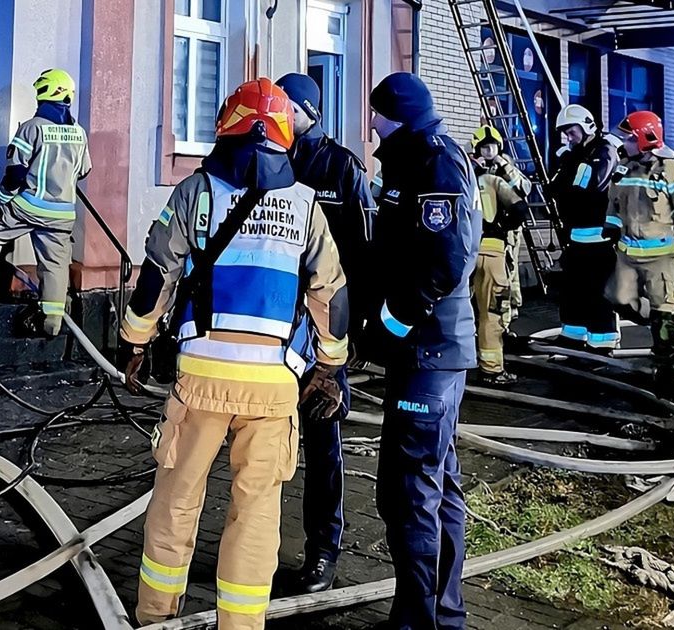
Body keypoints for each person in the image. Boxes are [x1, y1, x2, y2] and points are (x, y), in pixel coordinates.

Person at [117, 78, 349, 630]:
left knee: (177, 499)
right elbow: (330, 296)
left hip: (200, 381)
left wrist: (134, 342)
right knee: (257, 512)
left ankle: (155, 618)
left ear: (228, 128)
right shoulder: (305, 204)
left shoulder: (195, 192)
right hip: (273, 388)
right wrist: (330, 367)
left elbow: (157, 276)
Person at [363, 72, 480, 630]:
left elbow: (442, 259)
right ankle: (440, 614)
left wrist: (391, 323)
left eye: (378, 115)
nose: (372, 126)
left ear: (399, 114)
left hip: (428, 349)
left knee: (411, 491)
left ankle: (419, 623)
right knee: (435, 482)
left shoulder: (434, 160)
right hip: (425, 351)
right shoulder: (415, 159)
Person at [274, 72, 376, 594]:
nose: (277, 111)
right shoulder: (265, 159)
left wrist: (351, 333)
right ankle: (258, 547)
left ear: (309, 111)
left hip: (319, 334)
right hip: (269, 329)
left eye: (286, 104)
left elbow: (363, 254)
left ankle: (323, 553)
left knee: (322, 439)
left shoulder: (341, 167)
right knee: (264, 441)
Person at [0, 68, 92, 337]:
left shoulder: (31, 129)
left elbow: (15, 174)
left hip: (30, 206)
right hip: (63, 213)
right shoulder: (79, 133)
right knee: (55, 264)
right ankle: (51, 321)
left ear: (45, 93)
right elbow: (84, 170)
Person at [605, 110, 674, 346]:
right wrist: (611, 225)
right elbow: (614, 201)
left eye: (630, 138)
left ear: (646, 139)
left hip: (661, 256)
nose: (624, 143)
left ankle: (665, 362)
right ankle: (652, 319)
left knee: (664, 313)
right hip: (628, 255)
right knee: (619, 299)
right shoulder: (623, 167)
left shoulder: (670, 168)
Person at [551, 104, 620, 352]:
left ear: (586, 126)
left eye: (572, 132)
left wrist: (568, 178)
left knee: (596, 293)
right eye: (567, 133)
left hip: (598, 240)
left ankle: (602, 343)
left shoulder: (604, 151)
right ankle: (572, 336)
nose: (569, 138)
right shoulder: (575, 156)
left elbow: (586, 187)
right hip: (576, 239)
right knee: (572, 291)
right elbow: (556, 188)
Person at [470, 126, 530, 385]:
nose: (489, 152)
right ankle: (491, 366)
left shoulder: (502, 171)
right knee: (491, 310)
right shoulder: (484, 179)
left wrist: (505, 167)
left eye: (492, 147)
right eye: (484, 148)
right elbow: (520, 207)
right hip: (492, 250)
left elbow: (524, 187)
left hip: (481, 250)